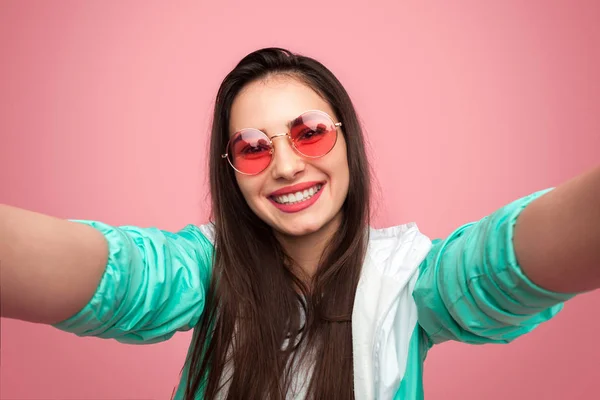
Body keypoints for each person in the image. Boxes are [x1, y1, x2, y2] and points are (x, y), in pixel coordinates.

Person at [1, 47, 598, 400]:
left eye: (309, 132)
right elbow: (123, 277)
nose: (286, 166)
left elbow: (497, 268)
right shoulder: (202, 271)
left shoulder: (412, 278)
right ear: (232, 170)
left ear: (347, 142)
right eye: (254, 147)